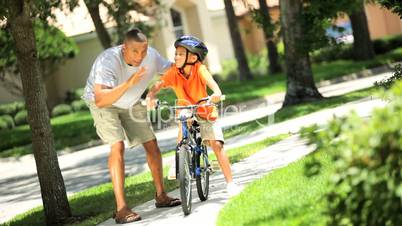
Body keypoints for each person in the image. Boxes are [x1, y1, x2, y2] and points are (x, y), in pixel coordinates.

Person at [82, 28, 180, 224]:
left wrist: (191, 61)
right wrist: (129, 83)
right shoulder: (107, 61)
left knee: (151, 143)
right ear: (124, 48)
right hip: (104, 102)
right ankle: (121, 209)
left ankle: (161, 195)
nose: (140, 56)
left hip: (130, 102)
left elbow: (173, 70)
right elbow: (101, 99)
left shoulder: (150, 56)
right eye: (135, 51)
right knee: (117, 146)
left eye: (143, 51)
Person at [147, 35, 241, 196]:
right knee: (183, 121)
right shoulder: (174, 72)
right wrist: (150, 95)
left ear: (193, 56)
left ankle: (230, 183)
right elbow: (159, 84)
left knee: (217, 144)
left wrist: (217, 93)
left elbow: (213, 84)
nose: (176, 57)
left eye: (180, 54)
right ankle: (179, 161)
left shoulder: (200, 69)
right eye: (175, 53)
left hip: (204, 109)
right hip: (186, 110)